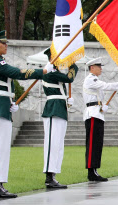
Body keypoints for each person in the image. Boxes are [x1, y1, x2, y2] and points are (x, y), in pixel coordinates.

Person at [0, 31, 49, 198]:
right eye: (3, 43)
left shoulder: (0, 61)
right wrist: (41, 72)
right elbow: (17, 72)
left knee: (4, 148)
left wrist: (11, 102)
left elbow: (8, 85)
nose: (6, 45)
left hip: (3, 106)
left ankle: (0, 184)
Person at [41, 47, 78, 189]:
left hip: (59, 108)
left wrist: (66, 99)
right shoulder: (49, 71)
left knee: (58, 144)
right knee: (52, 144)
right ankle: (49, 176)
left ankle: (53, 175)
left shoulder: (54, 72)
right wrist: (73, 65)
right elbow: (69, 78)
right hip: (53, 109)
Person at [83, 57, 118, 182]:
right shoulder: (90, 79)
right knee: (92, 144)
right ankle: (91, 171)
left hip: (98, 113)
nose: (101, 69)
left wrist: (103, 106)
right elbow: (106, 86)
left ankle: (94, 170)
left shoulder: (95, 80)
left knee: (98, 144)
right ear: (92, 68)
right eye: (98, 66)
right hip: (92, 114)